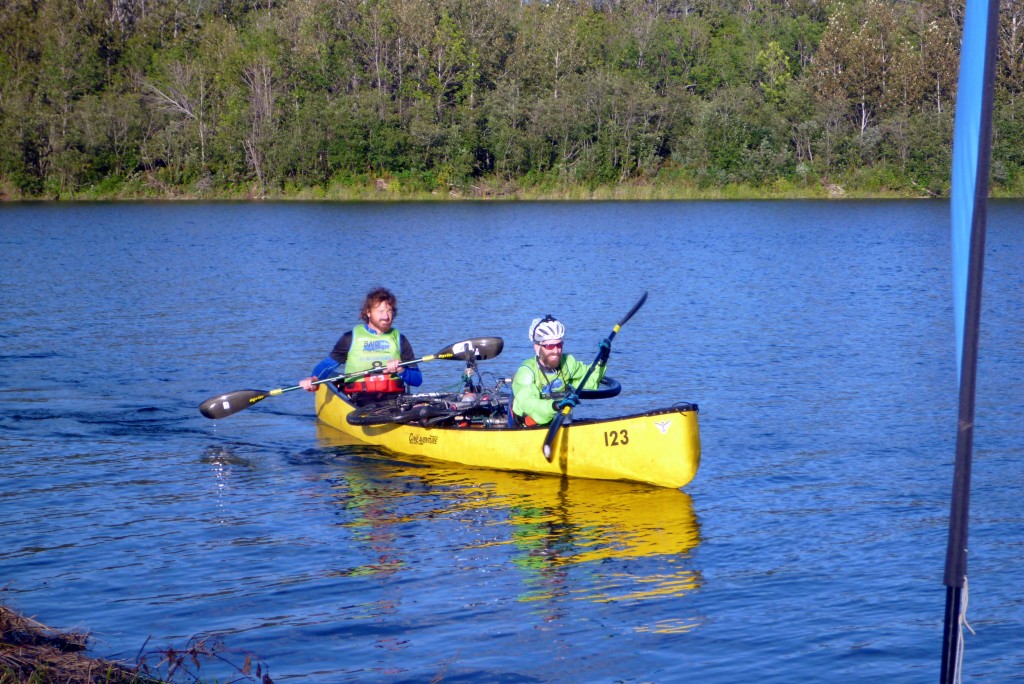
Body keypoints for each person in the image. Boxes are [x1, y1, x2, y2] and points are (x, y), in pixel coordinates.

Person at [299, 287, 422, 404]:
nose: (386, 316)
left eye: (389, 311)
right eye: (380, 311)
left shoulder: (400, 340)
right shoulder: (350, 338)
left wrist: (401, 370)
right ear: (368, 312)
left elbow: (417, 380)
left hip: (395, 397)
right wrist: (313, 380)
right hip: (361, 398)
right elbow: (327, 365)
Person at [511, 315, 611, 426]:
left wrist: (602, 360)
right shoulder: (526, 372)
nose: (556, 350)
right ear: (537, 347)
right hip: (527, 426)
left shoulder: (567, 363)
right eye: (549, 346)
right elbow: (529, 403)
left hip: (558, 422)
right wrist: (556, 406)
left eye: (559, 345)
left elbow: (591, 381)